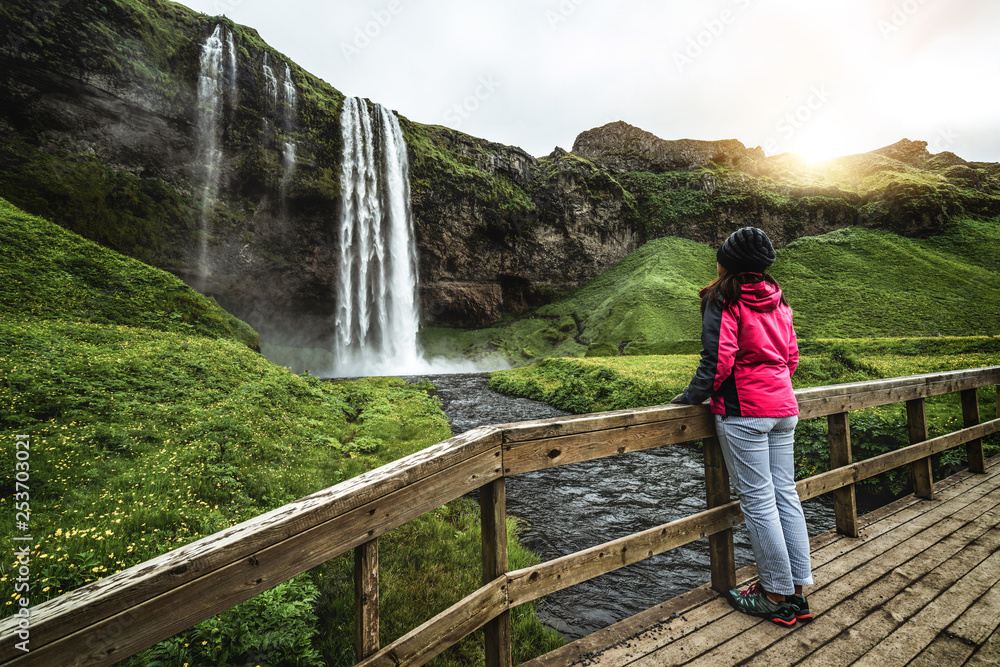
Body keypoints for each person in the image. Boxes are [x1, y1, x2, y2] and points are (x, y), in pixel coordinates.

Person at [671, 226, 813, 627]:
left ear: (726, 263)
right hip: (784, 408)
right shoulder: (778, 298)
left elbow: (718, 361)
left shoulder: (724, 298)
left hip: (745, 411)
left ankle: (773, 595)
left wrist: (690, 397)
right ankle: (797, 592)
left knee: (758, 500)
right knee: (786, 495)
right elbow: (791, 358)